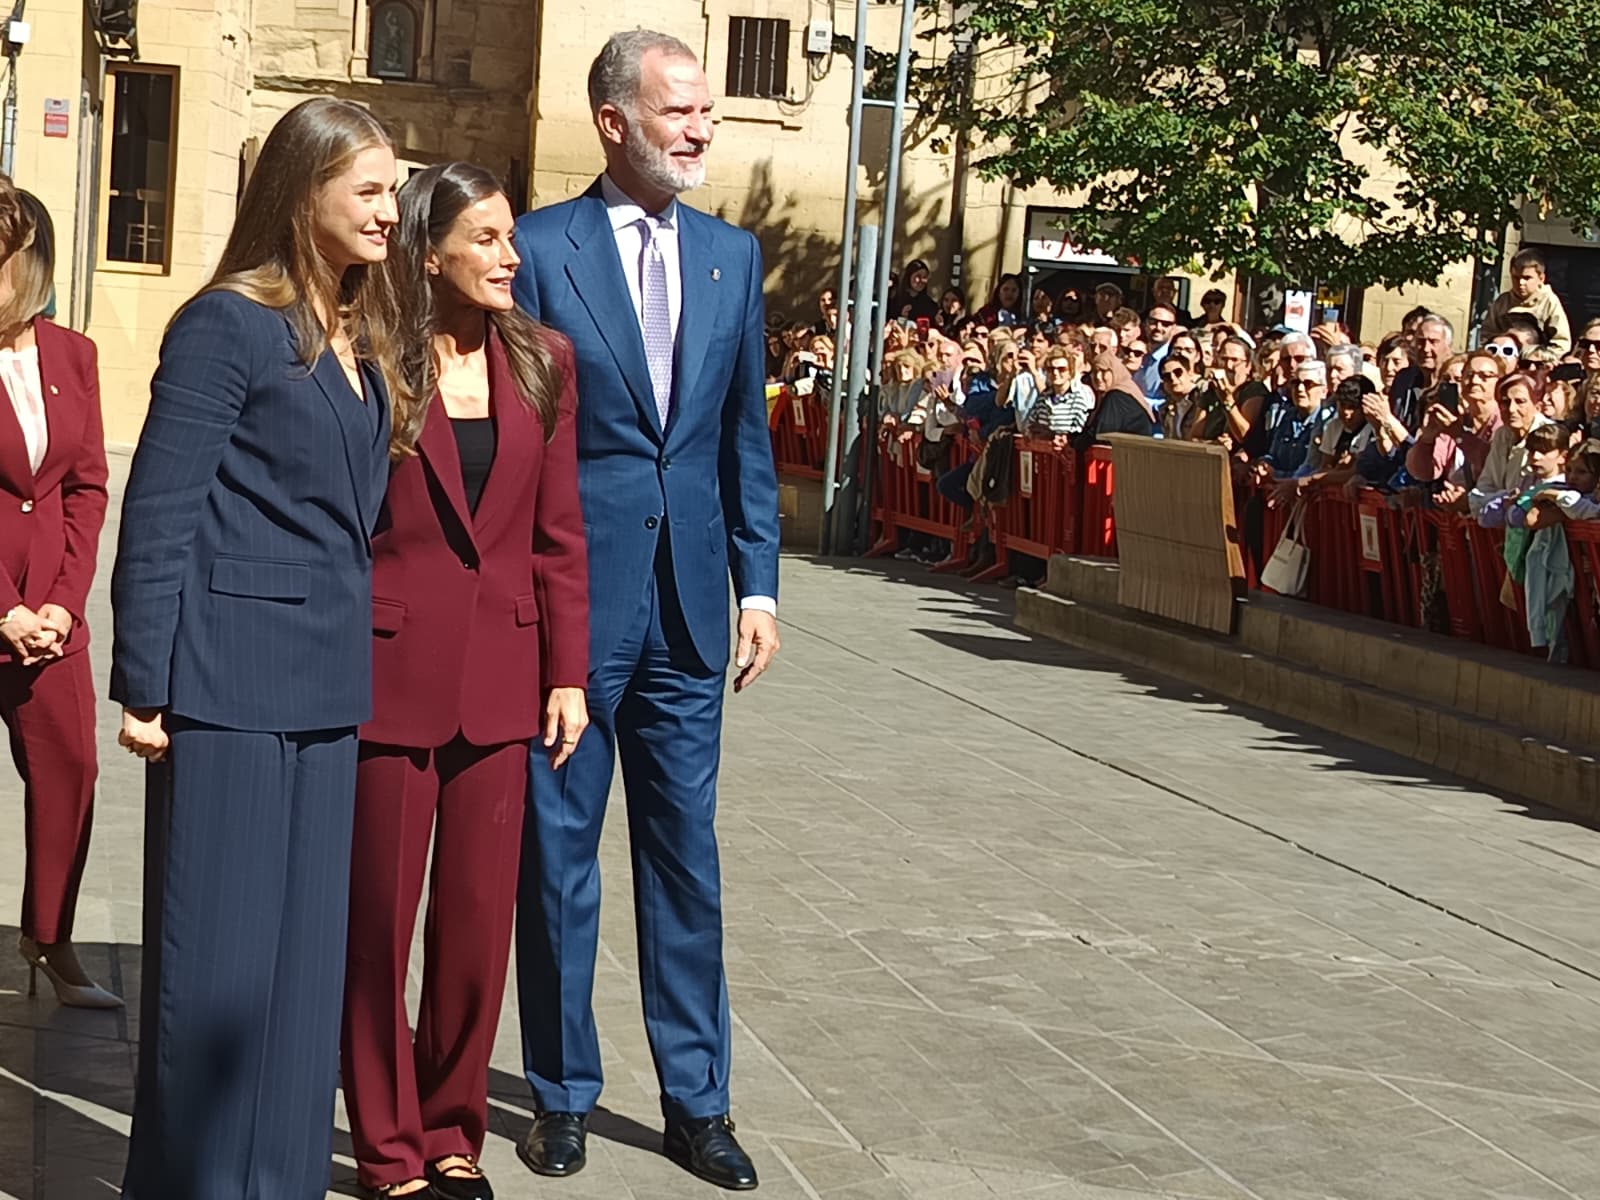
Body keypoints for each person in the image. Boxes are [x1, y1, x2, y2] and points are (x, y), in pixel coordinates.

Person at [508, 30, 780, 1192]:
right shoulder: (535, 249)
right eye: (678, 111)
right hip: (569, 609)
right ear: (612, 119)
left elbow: (740, 443)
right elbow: (513, 436)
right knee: (558, 854)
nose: (700, 130)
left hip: (689, 616)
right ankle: (563, 1094)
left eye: (707, 113)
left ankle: (696, 1102)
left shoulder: (732, 256)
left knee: (687, 860)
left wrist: (757, 582)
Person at [114, 98, 399, 1200]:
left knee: (299, 982)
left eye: (392, 187)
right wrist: (146, 680)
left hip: (329, 685)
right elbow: (162, 509)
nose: (389, 209)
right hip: (227, 685)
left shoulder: (360, 330)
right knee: (219, 978)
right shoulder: (225, 324)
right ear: (302, 192)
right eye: (366, 190)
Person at [339, 162, 591, 1200]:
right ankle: (389, 1147)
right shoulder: (372, 361)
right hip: (386, 677)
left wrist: (566, 674)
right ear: (428, 250)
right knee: (376, 924)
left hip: (504, 681)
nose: (508, 257)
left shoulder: (545, 361)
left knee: (478, 927)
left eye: (510, 237)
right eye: (483, 238)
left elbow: (559, 536)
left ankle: (453, 1133)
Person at [0, 187, 113, 1008]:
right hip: (2, 605)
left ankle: (50, 939)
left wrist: (66, 604)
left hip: (51, 618)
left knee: (71, 766)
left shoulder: (72, 355)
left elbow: (86, 487)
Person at [1482, 248, 1572, 363]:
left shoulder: (1549, 302)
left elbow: (1562, 342)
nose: (1521, 283)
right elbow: (1487, 334)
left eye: (1527, 278)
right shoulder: (1502, 302)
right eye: (1516, 277)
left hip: (1536, 363)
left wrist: (1542, 359)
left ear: (1541, 278)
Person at [891, 258, 939, 323]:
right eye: (918, 276)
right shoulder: (895, 299)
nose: (922, 280)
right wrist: (902, 317)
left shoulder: (930, 305)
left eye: (924, 277)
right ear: (909, 276)